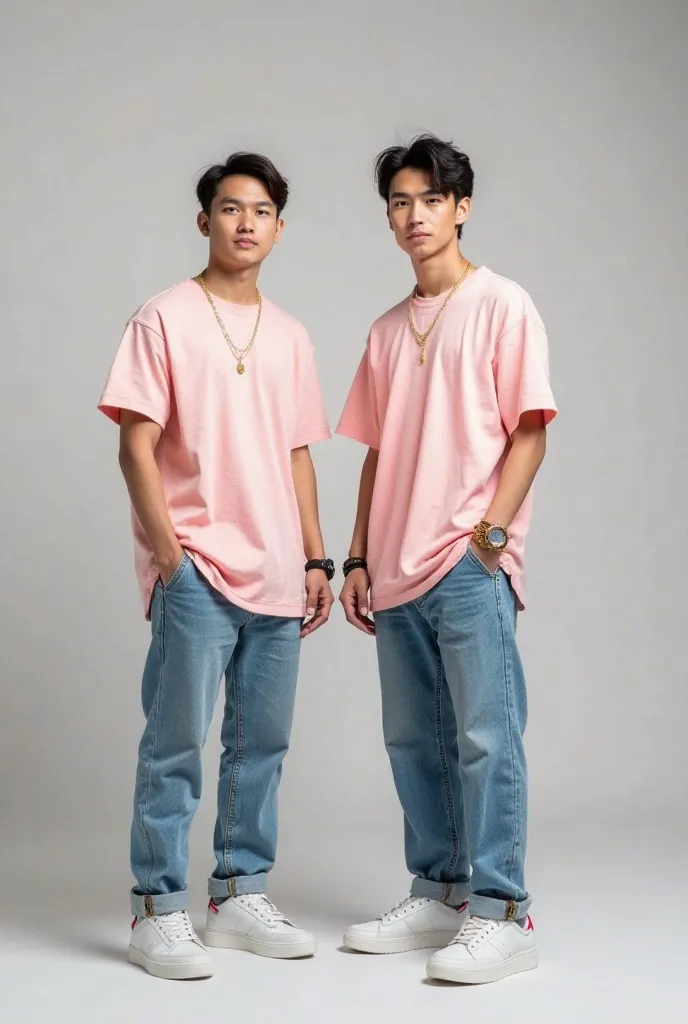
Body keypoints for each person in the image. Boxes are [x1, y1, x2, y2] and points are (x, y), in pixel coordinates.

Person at [98, 151, 334, 980]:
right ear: (205, 221)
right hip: (196, 567)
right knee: (174, 743)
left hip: (277, 572)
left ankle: (237, 895)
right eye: (230, 209)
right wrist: (169, 552)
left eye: (261, 210)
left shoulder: (294, 335)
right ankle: (157, 910)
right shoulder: (162, 318)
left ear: (278, 226)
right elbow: (135, 445)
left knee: (259, 744)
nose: (245, 223)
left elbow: (298, 453)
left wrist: (315, 557)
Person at [336, 134, 557, 985]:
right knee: (412, 740)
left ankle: (505, 911)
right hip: (393, 568)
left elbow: (529, 432)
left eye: (430, 198)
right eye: (400, 200)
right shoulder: (388, 330)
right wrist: (356, 558)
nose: (414, 215)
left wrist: (491, 540)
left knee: (486, 737)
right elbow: (378, 452)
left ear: (461, 207)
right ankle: (440, 890)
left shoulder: (504, 305)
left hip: (467, 561)